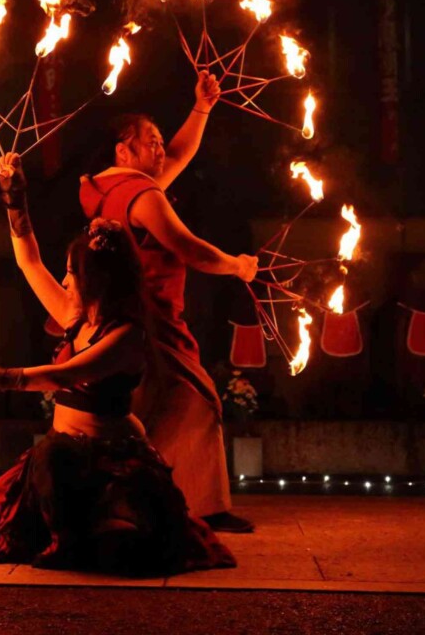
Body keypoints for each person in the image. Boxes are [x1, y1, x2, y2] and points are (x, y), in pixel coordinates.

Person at [0, 153, 235, 575]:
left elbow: (63, 375)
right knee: (1, 516)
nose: (65, 280)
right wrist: (15, 198)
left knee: (121, 543)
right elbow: (29, 261)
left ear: (95, 281)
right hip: (63, 462)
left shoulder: (127, 335)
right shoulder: (74, 318)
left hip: (114, 465)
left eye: (72, 273)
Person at [79, 70, 258, 532]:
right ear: (123, 151)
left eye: (159, 141)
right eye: (151, 142)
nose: (161, 150)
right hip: (152, 321)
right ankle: (197, 506)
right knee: (197, 401)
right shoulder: (141, 195)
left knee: (142, 413)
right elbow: (190, 249)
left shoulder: (103, 189)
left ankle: (138, 502)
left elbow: (179, 154)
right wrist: (237, 266)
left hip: (120, 320)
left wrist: (201, 107)